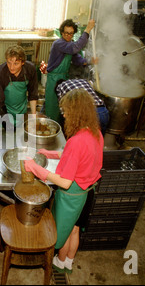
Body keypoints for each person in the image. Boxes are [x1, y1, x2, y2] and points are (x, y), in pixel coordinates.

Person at [24, 89, 104, 274]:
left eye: (66, 111)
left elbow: (65, 182)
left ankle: (59, 263)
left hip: (73, 195)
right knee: (75, 229)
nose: (65, 114)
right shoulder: (95, 132)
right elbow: (75, 154)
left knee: (63, 232)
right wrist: (49, 153)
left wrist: (35, 168)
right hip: (89, 190)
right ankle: (68, 261)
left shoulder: (77, 141)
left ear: (76, 112)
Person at [44, 19, 96, 123]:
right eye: (66, 33)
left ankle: (58, 128)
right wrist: (88, 29)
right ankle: (49, 127)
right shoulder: (58, 44)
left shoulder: (70, 44)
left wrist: (90, 61)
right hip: (54, 79)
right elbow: (75, 48)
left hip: (64, 79)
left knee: (62, 106)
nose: (68, 36)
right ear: (62, 32)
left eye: (71, 33)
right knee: (52, 106)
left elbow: (78, 60)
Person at [0, 45, 38, 126]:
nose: (11, 67)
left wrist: (33, 117)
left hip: (21, 112)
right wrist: (7, 124)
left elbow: (33, 94)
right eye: (9, 63)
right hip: (4, 112)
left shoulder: (30, 69)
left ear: (23, 62)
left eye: (16, 64)